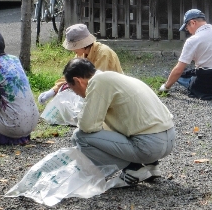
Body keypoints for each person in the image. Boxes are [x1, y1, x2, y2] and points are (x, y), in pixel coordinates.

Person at [66, 58, 175, 187]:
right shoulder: (114, 78)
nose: (77, 94)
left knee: (79, 136)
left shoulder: (97, 82)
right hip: (168, 139)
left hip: (149, 146)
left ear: (77, 81)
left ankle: (133, 168)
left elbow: (87, 126)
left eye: (73, 89)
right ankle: (151, 166)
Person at [38, 23, 123, 104]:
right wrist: (53, 90)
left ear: (81, 45)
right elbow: (71, 74)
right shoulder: (82, 54)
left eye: (73, 47)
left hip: (113, 95)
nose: (71, 50)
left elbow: (96, 82)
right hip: (97, 94)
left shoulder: (103, 54)